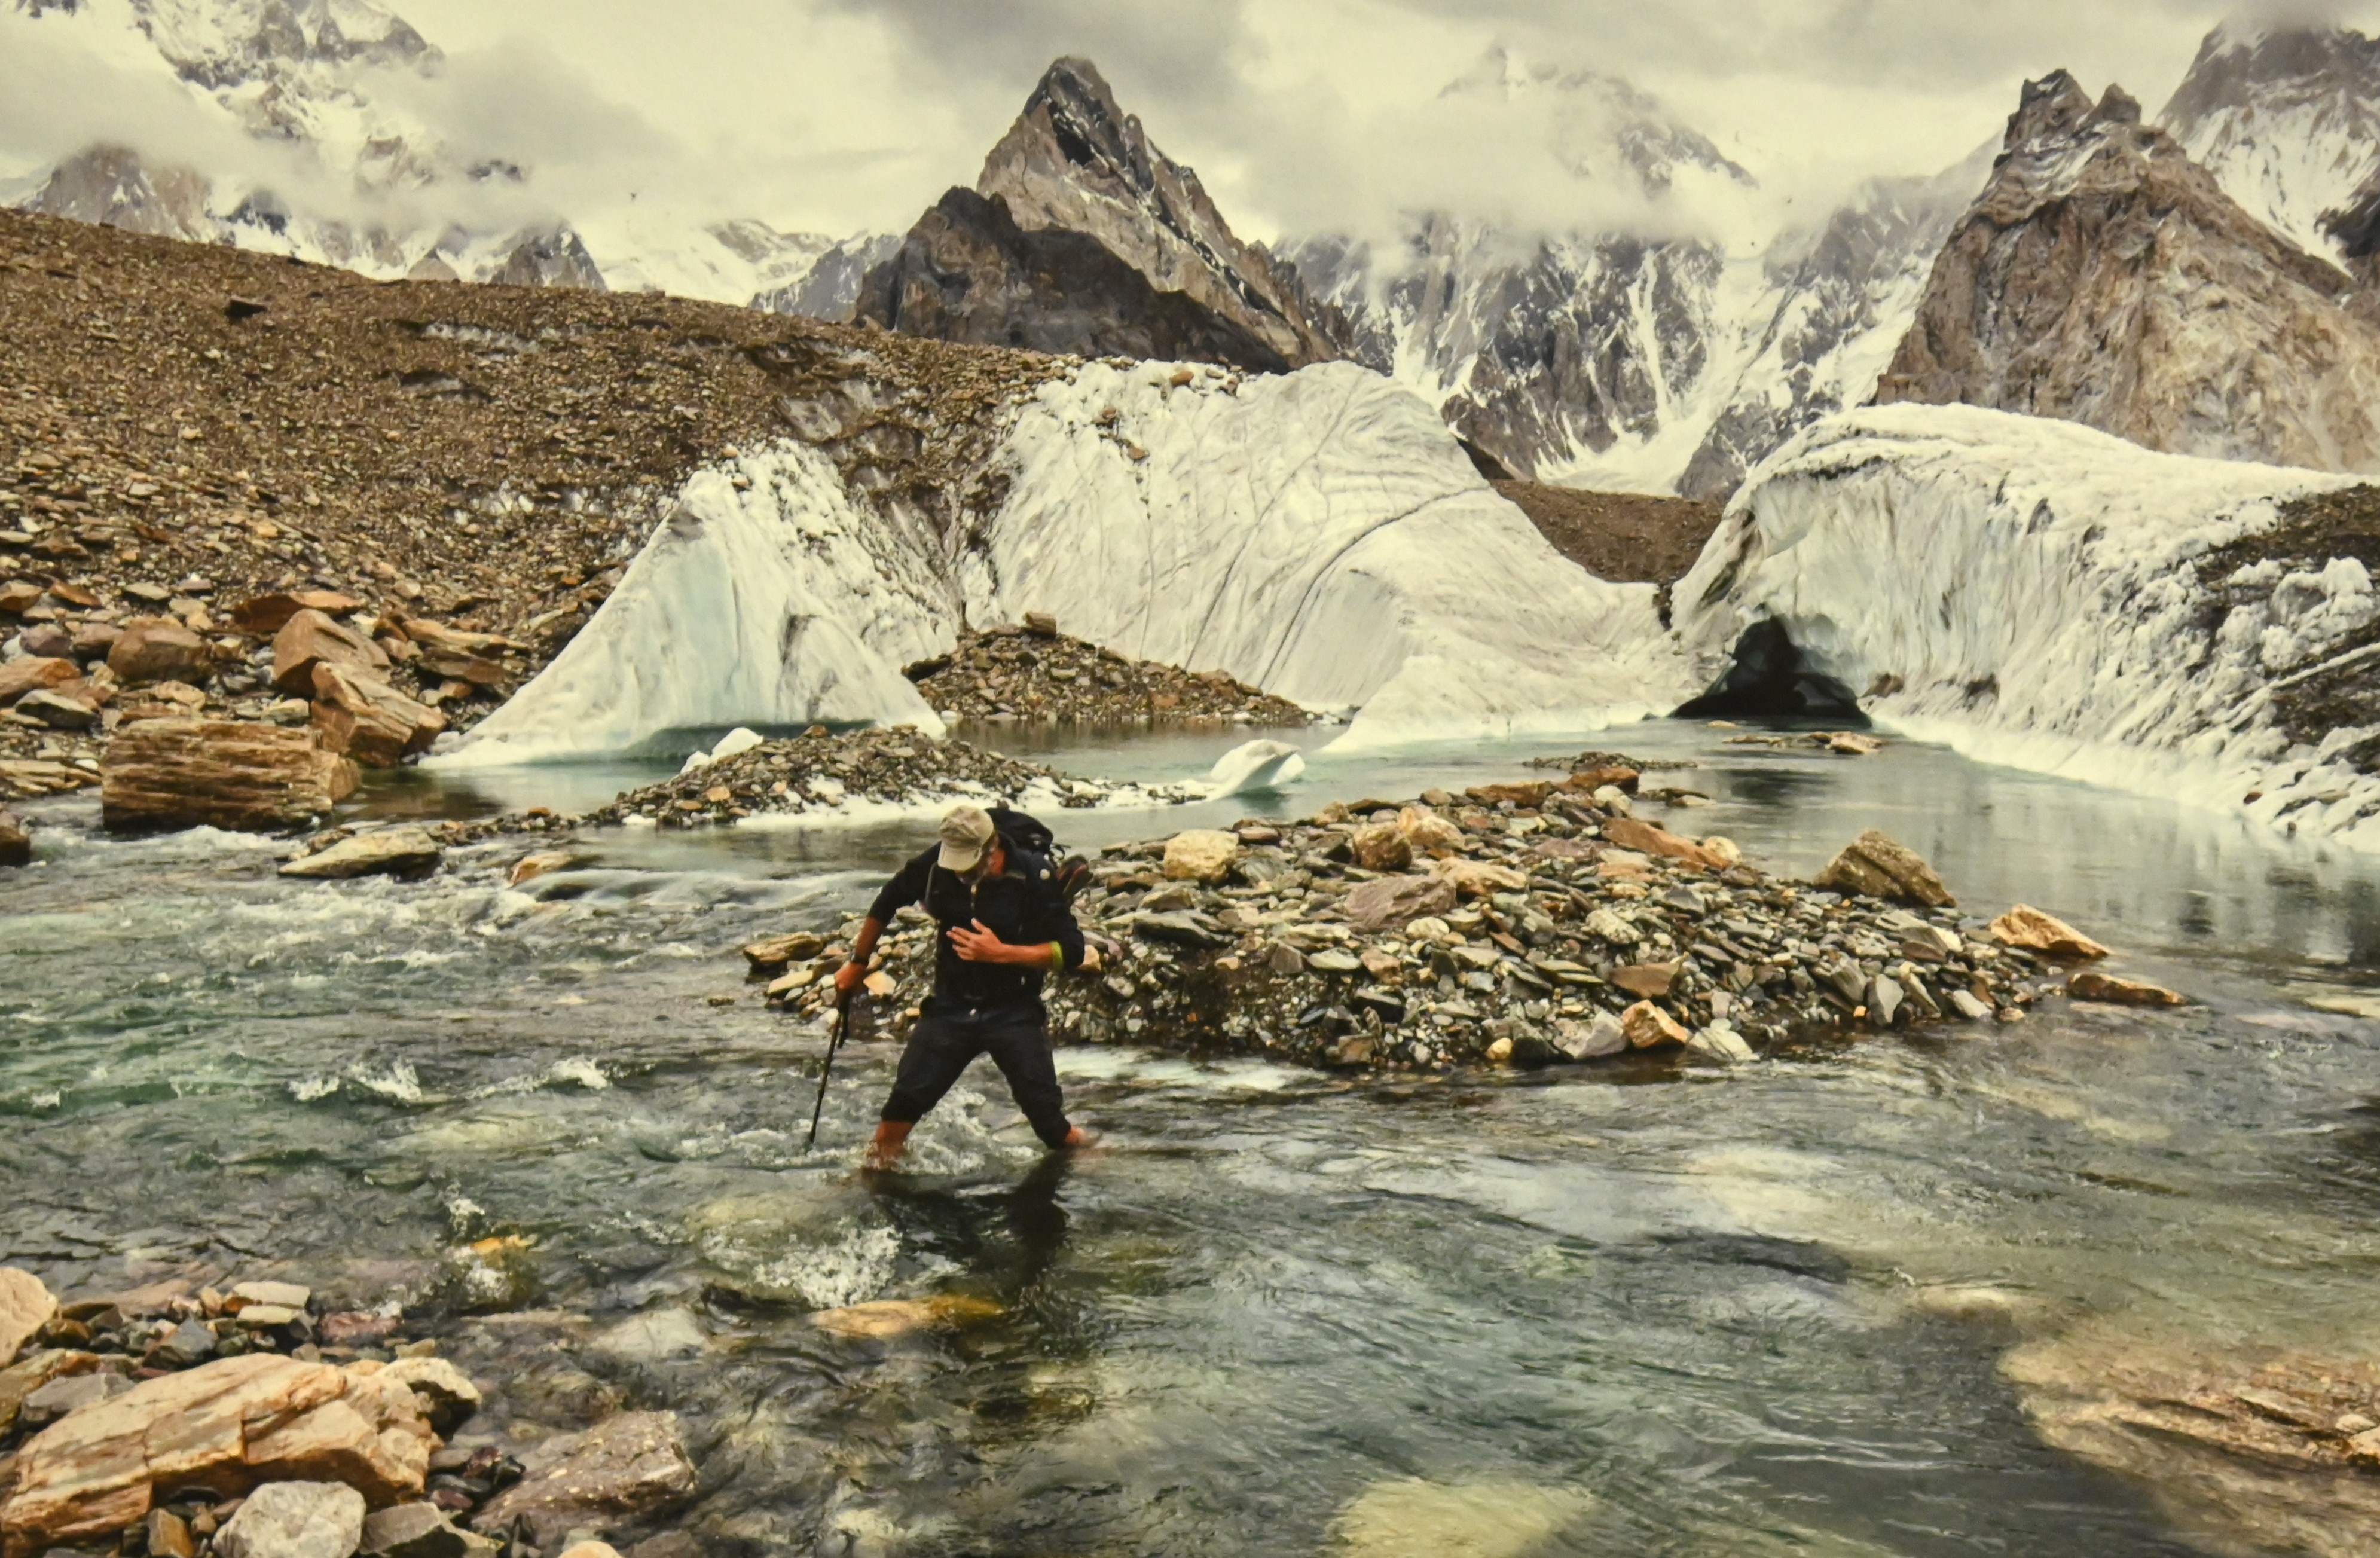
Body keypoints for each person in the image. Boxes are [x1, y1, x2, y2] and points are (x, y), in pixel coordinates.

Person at [836, 802, 1094, 1169]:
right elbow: (887, 900)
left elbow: (1071, 952)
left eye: (969, 867)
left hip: (1014, 1009)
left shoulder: (1034, 875)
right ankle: (875, 1182)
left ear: (993, 849)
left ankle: (1098, 1154)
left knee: (1050, 1127)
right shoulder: (935, 864)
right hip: (951, 1006)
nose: (960, 875)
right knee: (901, 1108)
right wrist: (857, 964)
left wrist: (1002, 953)